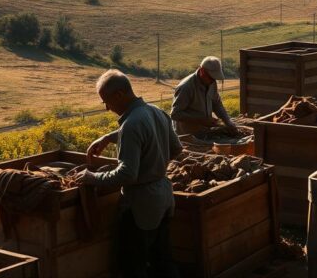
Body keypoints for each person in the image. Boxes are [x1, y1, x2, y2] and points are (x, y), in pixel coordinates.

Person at [77, 70, 182, 278]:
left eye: (107, 101)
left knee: (133, 266)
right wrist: (110, 137)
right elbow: (176, 149)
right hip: (163, 198)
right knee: (163, 261)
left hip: (140, 206)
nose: (107, 108)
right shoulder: (156, 112)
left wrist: (91, 177)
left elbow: (127, 175)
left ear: (120, 95)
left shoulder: (131, 124)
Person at [171, 56, 238, 135]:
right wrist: (202, 119)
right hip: (187, 136)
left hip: (204, 132)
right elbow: (175, 114)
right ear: (202, 71)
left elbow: (217, 104)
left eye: (214, 79)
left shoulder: (211, 82)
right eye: (211, 78)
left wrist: (228, 121)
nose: (213, 81)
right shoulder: (186, 87)